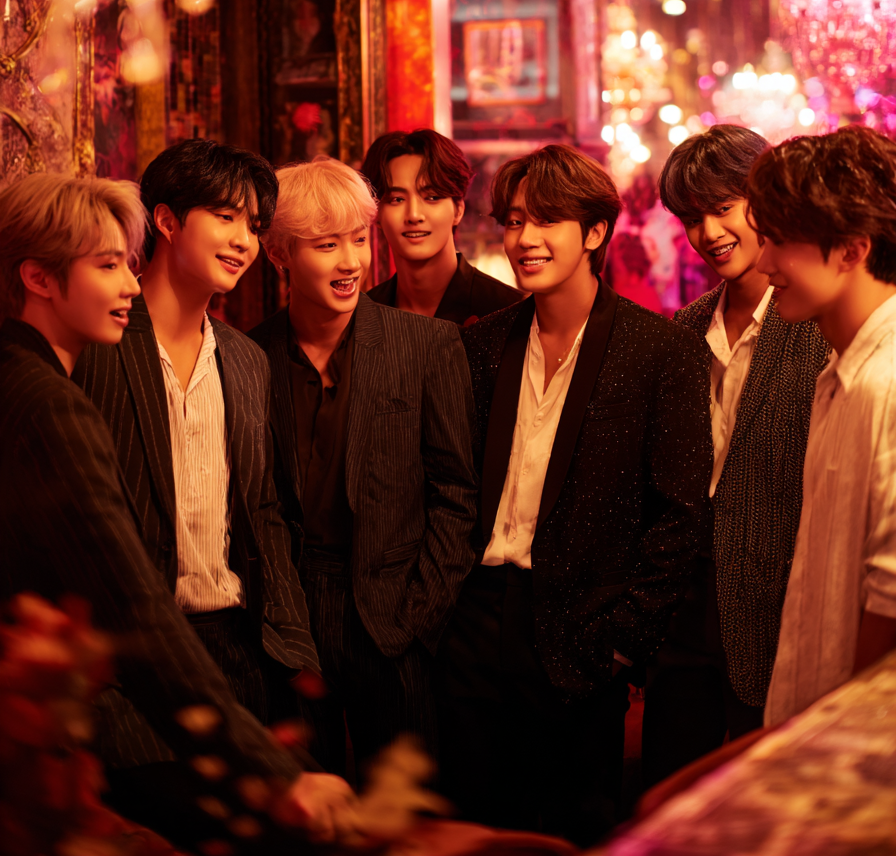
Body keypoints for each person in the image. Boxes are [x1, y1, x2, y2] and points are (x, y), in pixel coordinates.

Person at [0, 173, 353, 852]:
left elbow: (264, 516)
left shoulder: (28, 380)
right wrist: (275, 773)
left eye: (127, 266)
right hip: (72, 722)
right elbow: (132, 605)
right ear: (39, 279)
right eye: (108, 266)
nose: (130, 286)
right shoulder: (49, 404)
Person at [439, 144, 713, 846]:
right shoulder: (482, 346)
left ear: (594, 232)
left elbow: (679, 516)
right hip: (474, 624)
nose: (524, 239)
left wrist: (622, 644)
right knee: (474, 832)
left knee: (577, 833)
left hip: (583, 632)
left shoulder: (660, 352)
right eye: (514, 221)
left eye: (546, 221)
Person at [74, 140, 321, 807]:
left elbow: (263, 513)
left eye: (254, 226)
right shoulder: (98, 346)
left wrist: (294, 649)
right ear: (166, 220)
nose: (244, 241)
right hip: (132, 659)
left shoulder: (244, 360)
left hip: (237, 649)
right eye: (225, 217)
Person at [250, 156, 478, 776]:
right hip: (292, 615)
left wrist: (418, 619)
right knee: (306, 804)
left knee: (404, 807)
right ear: (279, 253)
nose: (352, 261)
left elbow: (458, 495)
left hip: (394, 615)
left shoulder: (425, 345)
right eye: (327, 245)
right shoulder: (250, 357)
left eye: (358, 239)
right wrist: (276, 618)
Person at [640, 126, 829, 788]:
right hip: (683, 614)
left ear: (765, 202)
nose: (708, 232)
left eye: (723, 207)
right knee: (668, 796)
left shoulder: (815, 326)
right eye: (692, 218)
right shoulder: (686, 329)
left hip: (778, 612)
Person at [747, 127, 896, 726]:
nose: (763, 262)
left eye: (780, 241)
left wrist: (839, 731)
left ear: (853, 250)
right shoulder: (840, 373)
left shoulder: (886, 381)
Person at [362, 128, 520, 325]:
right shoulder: (363, 315)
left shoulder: (508, 310)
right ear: (377, 215)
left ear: (458, 210)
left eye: (432, 197)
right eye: (397, 199)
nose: (414, 215)